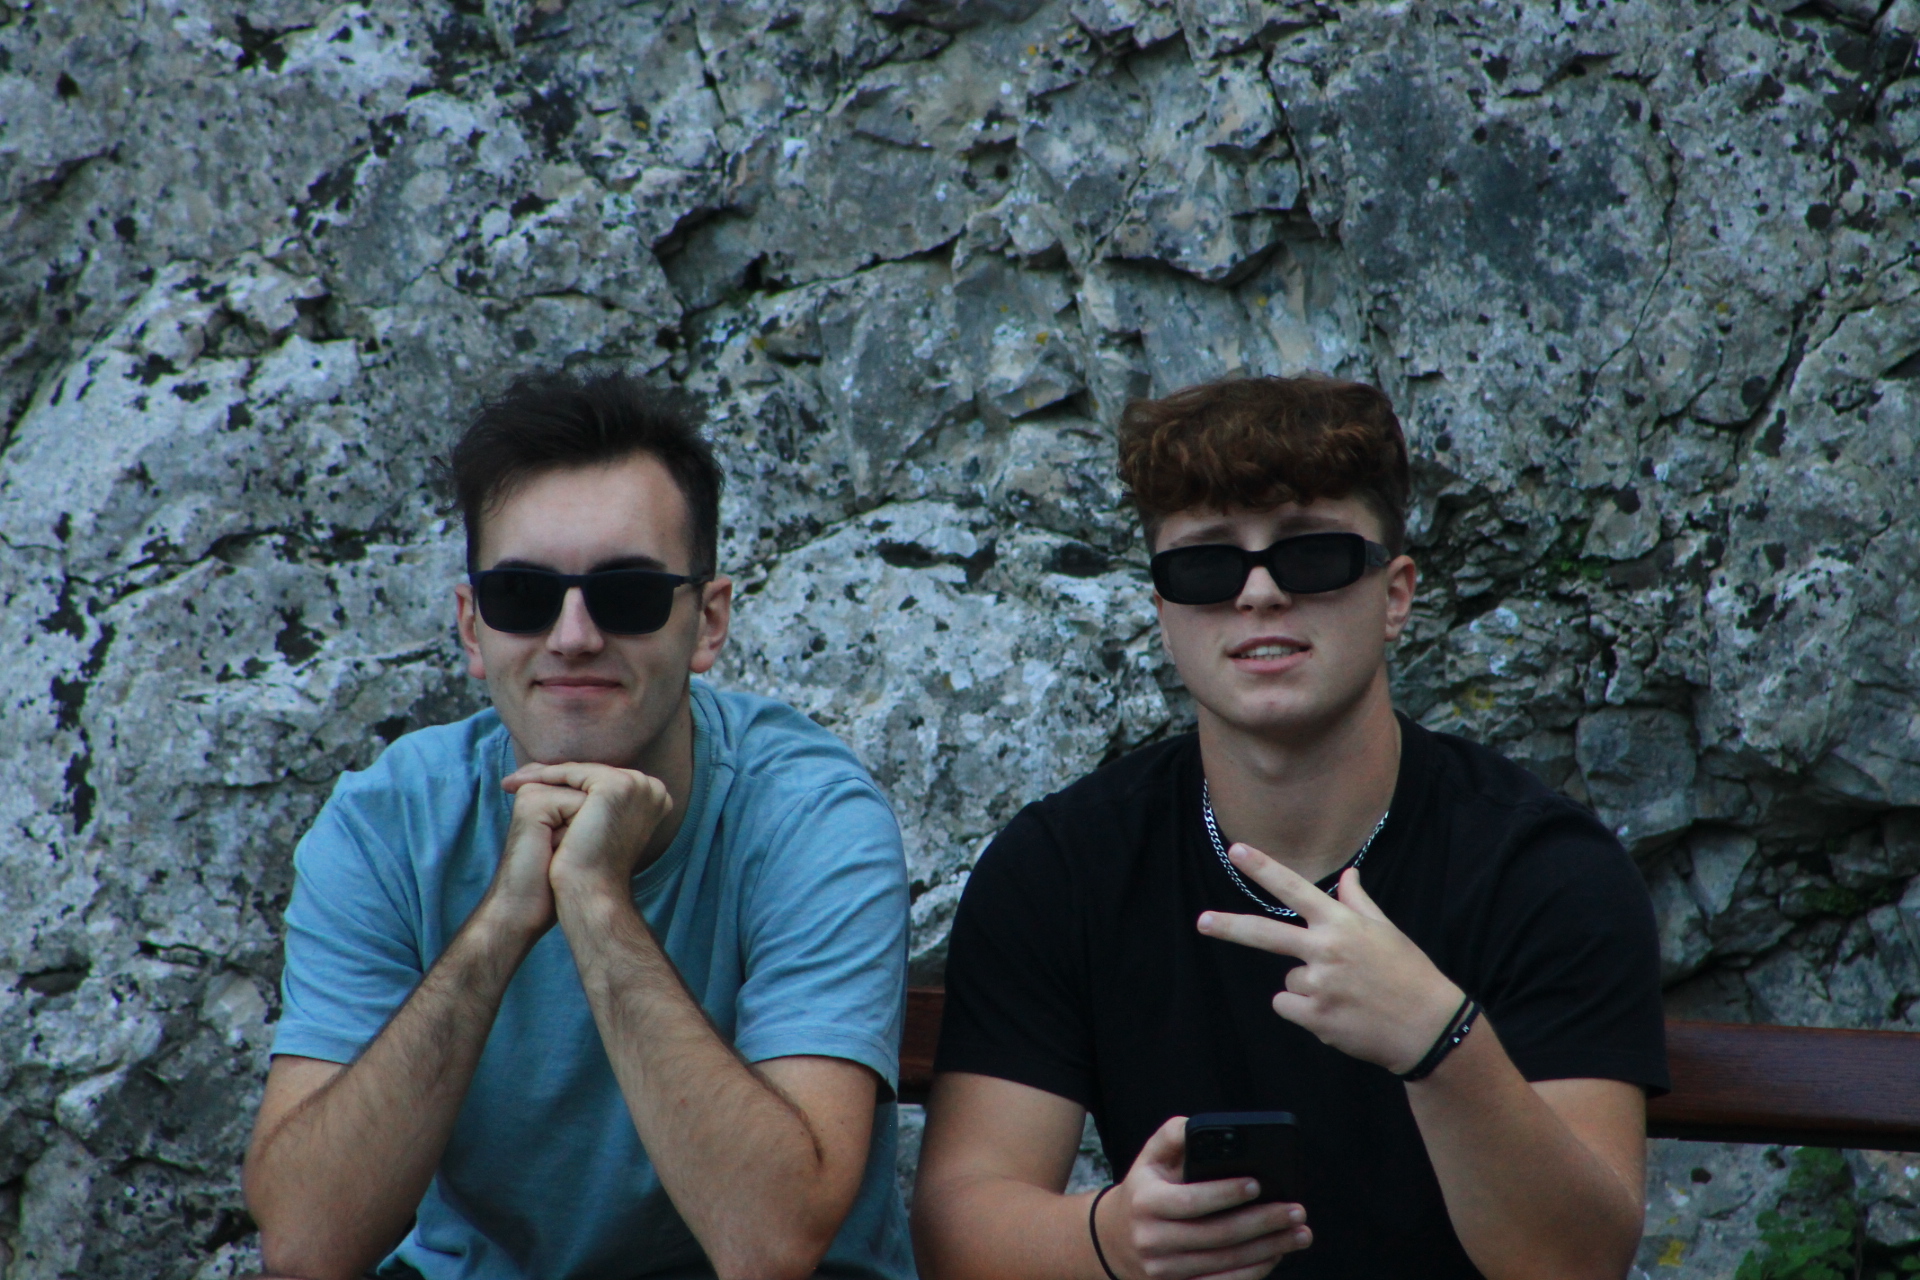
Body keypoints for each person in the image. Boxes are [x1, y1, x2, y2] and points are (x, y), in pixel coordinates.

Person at [912, 376, 1667, 1280]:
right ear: (1162, 614)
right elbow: (960, 1231)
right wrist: (1110, 1240)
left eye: (1312, 554)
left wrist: (1441, 1042)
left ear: (1395, 595)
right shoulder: (1061, 869)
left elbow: (1578, 1264)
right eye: (1206, 565)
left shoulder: (1544, 871)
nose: (1260, 593)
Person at [243, 371, 914, 1280]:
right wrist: (499, 926)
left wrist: (596, 904)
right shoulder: (387, 823)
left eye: (627, 593)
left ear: (707, 622)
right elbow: (306, 1244)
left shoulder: (810, 818)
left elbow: (769, 1243)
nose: (572, 635)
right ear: (473, 627)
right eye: (523, 593)